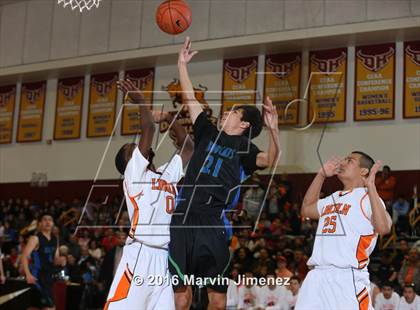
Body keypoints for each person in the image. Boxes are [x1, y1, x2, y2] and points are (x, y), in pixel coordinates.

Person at [169, 37, 281, 310]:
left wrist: (274, 131)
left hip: (212, 223)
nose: (226, 113)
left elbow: (270, 160)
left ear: (243, 123)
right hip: (183, 218)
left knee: (217, 302)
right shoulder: (207, 131)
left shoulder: (245, 148)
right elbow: (190, 98)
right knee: (181, 298)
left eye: (233, 111)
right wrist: (181, 65)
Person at [104, 80, 193, 310]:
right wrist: (141, 102)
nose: (134, 147)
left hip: (163, 258)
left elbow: (188, 147)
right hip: (139, 256)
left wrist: (169, 117)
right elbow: (149, 129)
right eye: (129, 150)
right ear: (128, 163)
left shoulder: (166, 174)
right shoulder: (134, 176)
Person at [296, 152, 392, 310]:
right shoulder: (333, 198)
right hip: (317, 276)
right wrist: (320, 175)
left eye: (350, 160)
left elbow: (383, 227)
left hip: (346, 276)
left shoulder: (367, 198)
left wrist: (371, 188)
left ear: (363, 171)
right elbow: (306, 209)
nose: (343, 162)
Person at [21, 213, 65, 310]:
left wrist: (61, 260)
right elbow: (24, 256)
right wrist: (28, 274)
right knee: (50, 307)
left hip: (48, 277)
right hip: (37, 277)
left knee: (35, 307)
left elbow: (55, 258)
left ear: (53, 223)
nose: (47, 222)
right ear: (40, 223)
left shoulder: (55, 239)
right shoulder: (35, 238)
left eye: (50, 220)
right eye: (45, 220)